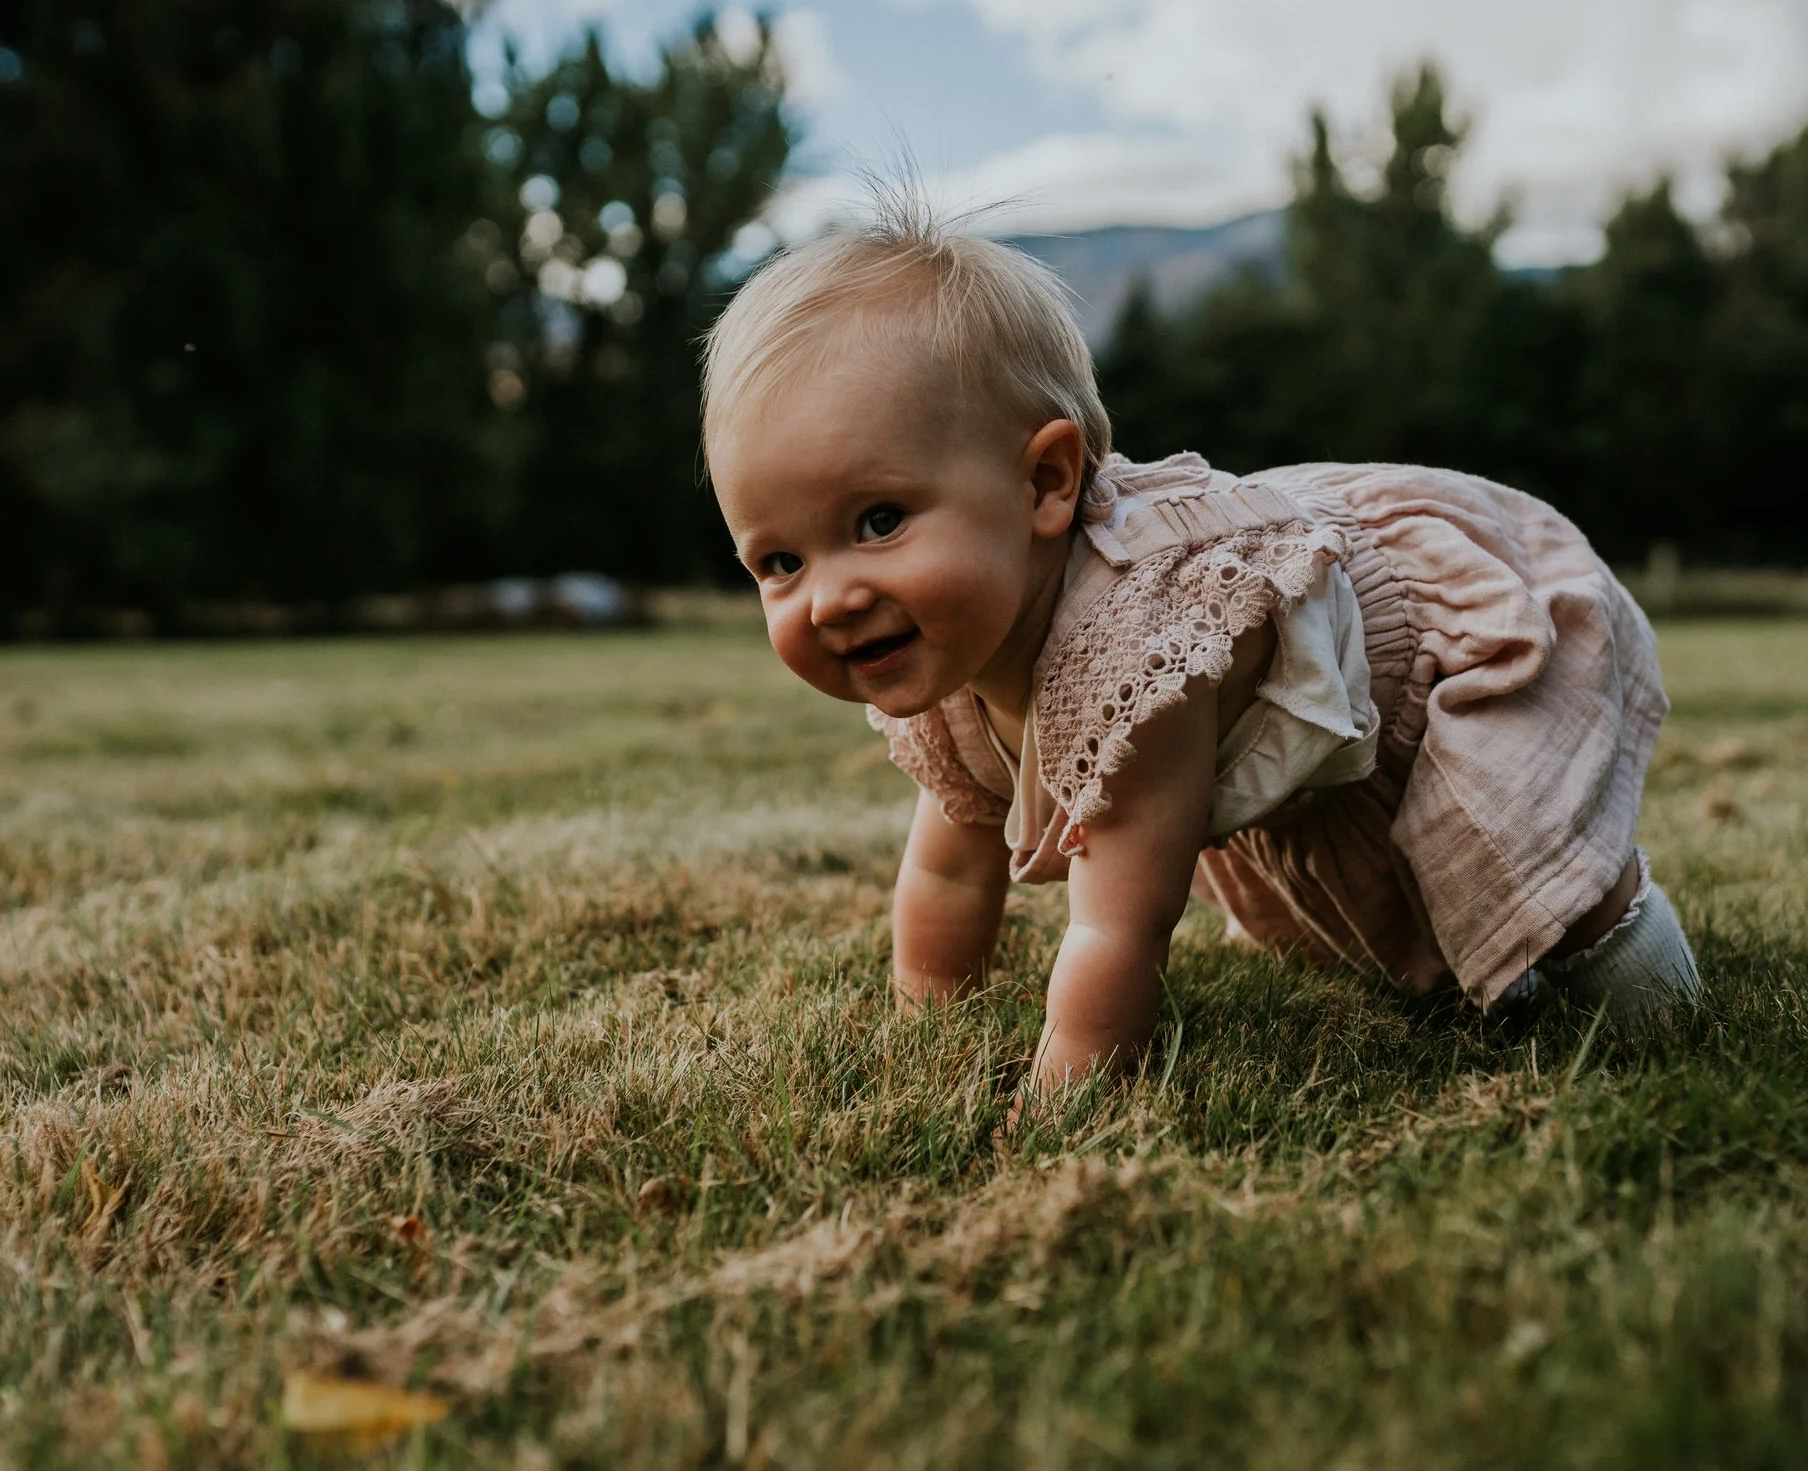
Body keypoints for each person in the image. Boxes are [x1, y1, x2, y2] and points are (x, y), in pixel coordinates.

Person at [702, 195, 1698, 1093]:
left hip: (1424, 654)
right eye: (779, 559)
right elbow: (950, 867)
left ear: (1045, 484)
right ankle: (1485, 971)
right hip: (1289, 706)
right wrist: (925, 1018)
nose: (830, 598)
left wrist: (1064, 1101)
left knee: (1512, 848)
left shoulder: (1137, 645)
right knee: (1385, 920)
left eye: (878, 521)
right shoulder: (947, 639)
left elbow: (1116, 925)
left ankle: (1648, 970)